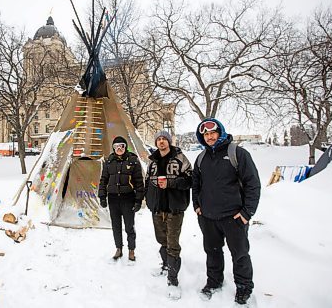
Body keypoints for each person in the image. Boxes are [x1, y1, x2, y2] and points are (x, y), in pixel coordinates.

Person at [192, 118, 261, 305]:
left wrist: (247, 213)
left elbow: (253, 184)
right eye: (205, 134)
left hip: (234, 217)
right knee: (212, 252)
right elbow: (196, 185)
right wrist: (197, 207)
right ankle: (214, 282)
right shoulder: (201, 158)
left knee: (239, 254)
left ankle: (244, 287)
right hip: (208, 217)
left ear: (220, 132)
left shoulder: (237, 153)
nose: (209, 137)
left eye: (212, 133)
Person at [144, 130, 192, 299]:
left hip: (174, 208)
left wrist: (171, 183)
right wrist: (148, 201)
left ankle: (173, 280)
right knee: (161, 240)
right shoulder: (152, 161)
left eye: (165, 139)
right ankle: (165, 266)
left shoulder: (180, 158)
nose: (162, 142)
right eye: (159, 139)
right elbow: (147, 182)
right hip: (157, 208)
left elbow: (190, 180)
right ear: (156, 142)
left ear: (169, 142)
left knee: (172, 243)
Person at [99, 136, 144, 261]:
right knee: (116, 226)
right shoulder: (109, 161)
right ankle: (118, 248)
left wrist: (138, 200)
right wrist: (102, 196)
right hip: (113, 199)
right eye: (116, 146)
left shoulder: (133, 160)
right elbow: (103, 180)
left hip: (128, 198)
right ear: (113, 148)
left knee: (129, 226)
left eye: (122, 146)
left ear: (125, 147)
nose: (119, 148)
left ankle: (131, 249)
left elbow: (139, 182)